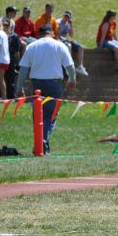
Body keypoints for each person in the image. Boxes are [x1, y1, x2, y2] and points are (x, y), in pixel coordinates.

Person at [16, 24, 76, 155]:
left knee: (38, 114)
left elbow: (23, 70)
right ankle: (43, 141)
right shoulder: (60, 45)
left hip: (36, 84)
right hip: (54, 83)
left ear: (39, 34)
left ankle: (39, 143)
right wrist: (72, 79)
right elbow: (70, 66)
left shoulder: (32, 46)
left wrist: (19, 88)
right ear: (52, 33)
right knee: (50, 115)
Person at [96, 10, 118, 75]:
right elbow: (103, 37)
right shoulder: (106, 24)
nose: (115, 18)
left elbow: (114, 34)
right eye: (114, 17)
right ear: (110, 17)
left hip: (110, 40)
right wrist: (100, 47)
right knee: (117, 49)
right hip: (103, 41)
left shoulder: (114, 23)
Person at [58, 10, 87, 77]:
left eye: (68, 17)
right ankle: (69, 66)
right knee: (69, 45)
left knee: (80, 47)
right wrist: (66, 40)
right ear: (63, 15)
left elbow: (71, 35)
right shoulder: (58, 22)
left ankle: (80, 66)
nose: (66, 17)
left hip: (64, 40)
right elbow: (57, 35)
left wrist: (71, 25)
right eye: (65, 16)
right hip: (59, 40)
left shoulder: (68, 24)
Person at [2, 18, 22, 97]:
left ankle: (11, 97)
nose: (5, 27)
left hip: (11, 60)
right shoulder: (0, 35)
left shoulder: (14, 36)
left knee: (11, 80)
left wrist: (17, 63)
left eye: (7, 25)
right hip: (2, 60)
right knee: (1, 79)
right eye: (3, 25)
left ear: (10, 26)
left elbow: (17, 51)